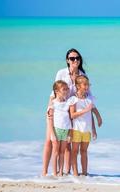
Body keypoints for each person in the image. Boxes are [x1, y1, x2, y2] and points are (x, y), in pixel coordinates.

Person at [42, 48, 102, 176]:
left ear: (80, 60)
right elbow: (54, 92)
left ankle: (66, 172)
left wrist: (95, 117)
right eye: (72, 58)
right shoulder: (61, 73)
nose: (75, 60)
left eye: (77, 58)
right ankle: (44, 173)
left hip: (71, 111)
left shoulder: (82, 76)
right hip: (57, 109)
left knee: (67, 143)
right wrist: (49, 109)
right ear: (67, 60)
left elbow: (88, 98)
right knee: (50, 141)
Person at [69, 75, 94, 176]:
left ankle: (84, 173)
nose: (87, 86)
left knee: (84, 151)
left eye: (88, 84)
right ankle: (75, 173)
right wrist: (84, 110)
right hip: (76, 129)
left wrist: (94, 128)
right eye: (85, 84)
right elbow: (72, 115)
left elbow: (91, 113)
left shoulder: (90, 99)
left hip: (87, 129)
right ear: (78, 86)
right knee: (74, 151)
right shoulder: (73, 99)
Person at [49, 80, 72, 176]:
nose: (66, 91)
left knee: (62, 152)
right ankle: (54, 173)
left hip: (65, 130)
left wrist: (70, 133)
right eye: (64, 89)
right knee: (55, 152)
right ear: (56, 91)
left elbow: (70, 119)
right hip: (56, 130)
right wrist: (52, 134)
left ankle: (61, 172)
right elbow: (50, 120)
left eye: (67, 89)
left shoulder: (68, 103)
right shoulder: (53, 104)